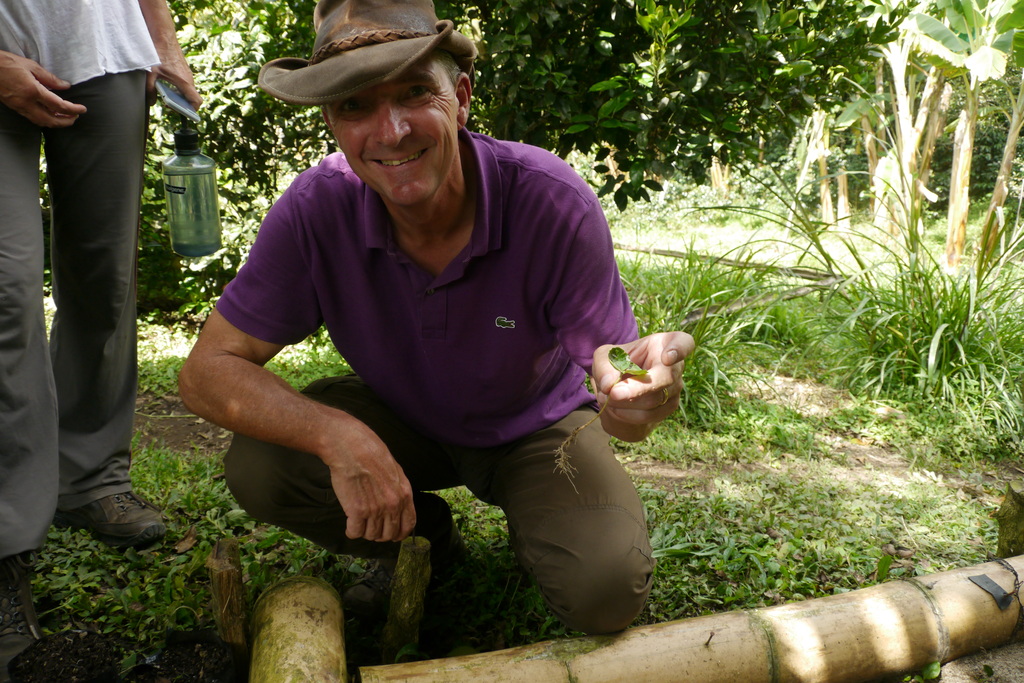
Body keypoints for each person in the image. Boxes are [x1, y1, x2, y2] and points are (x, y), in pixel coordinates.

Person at [178, 0, 694, 636]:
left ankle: (539, 522)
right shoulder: (316, 209)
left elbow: (619, 392)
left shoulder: (549, 198)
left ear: (463, 96)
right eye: (355, 106)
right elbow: (205, 372)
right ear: (333, 123)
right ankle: (425, 543)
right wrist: (339, 437)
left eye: (415, 93)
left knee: (605, 592)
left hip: (537, 426)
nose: (390, 131)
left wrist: (639, 401)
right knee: (261, 466)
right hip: (405, 420)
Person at [0, 0, 202, 675]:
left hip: (109, 49)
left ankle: (88, 475)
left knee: (105, 277)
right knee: (8, 290)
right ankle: (4, 544)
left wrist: (164, 46)